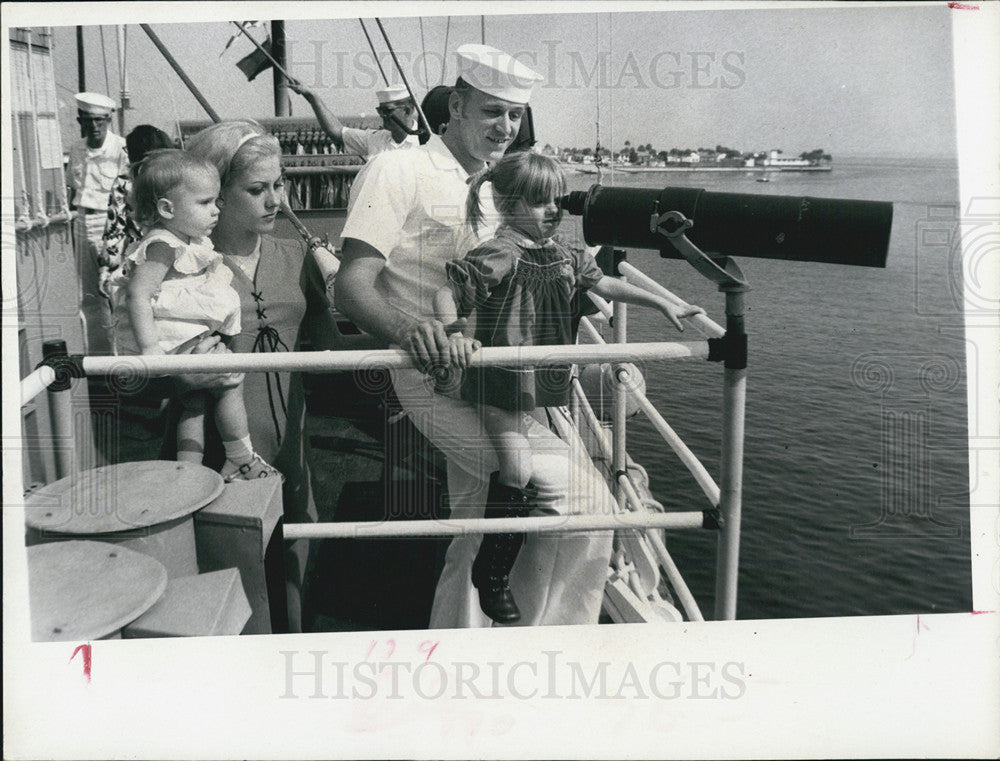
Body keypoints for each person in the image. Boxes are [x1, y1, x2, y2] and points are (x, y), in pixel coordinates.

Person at [335, 43, 615, 628]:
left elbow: (535, 272)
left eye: (514, 116)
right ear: (455, 105)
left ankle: (464, 653)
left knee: (479, 524)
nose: (506, 128)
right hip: (432, 379)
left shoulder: (499, 188)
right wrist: (417, 332)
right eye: (492, 112)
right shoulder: (398, 170)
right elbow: (352, 286)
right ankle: (548, 644)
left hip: (505, 384)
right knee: (586, 507)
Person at [434, 151, 705, 623]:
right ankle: (492, 574)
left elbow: (607, 287)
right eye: (540, 203)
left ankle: (509, 571)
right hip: (501, 381)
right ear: (508, 205)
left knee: (537, 454)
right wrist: (456, 334)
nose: (554, 211)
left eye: (557, 201)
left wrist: (663, 303)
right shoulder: (501, 252)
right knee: (516, 471)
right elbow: (446, 292)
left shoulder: (563, 253)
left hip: (541, 379)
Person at [184, 120, 336, 632]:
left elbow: (330, 348)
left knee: (298, 561)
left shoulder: (297, 258)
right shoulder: (186, 271)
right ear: (218, 195)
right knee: (241, 584)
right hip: (222, 450)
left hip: (293, 444)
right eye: (256, 190)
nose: (275, 200)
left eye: (279, 184)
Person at [106, 149, 281, 482]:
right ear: (167, 209)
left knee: (194, 403)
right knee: (230, 383)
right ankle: (240, 457)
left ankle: (188, 471)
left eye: (216, 201)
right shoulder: (162, 245)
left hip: (188, 337)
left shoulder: (190, 241)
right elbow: (138, 294)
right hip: (173, 340)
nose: (215, 210)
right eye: (205, 203)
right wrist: (151, 351)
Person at [68, 92, 129, 353]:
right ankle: (100, 359)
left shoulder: (121, 149)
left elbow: (126, 193)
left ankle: (122, 355)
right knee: (89, 296)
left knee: (115, 290)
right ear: (80, 120)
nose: (94, 126)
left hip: (113, 224)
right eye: (88, 120)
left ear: (109, 120)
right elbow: (72, 188)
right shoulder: (76, 150)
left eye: (100, 120)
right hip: (82, 220)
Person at [99, 124, 174, 295]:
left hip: (140, 259)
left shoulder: (125, 184)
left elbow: (115, 230)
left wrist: (106, 271)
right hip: (179, 256)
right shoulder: (180, 179)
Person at [287, 80, 419, 158]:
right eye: (380, 111)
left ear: (407, 110)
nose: (382, 116)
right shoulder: (375, 139)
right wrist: (312, 98)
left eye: (388, 111)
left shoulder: (426, 143)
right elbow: (337, 131)